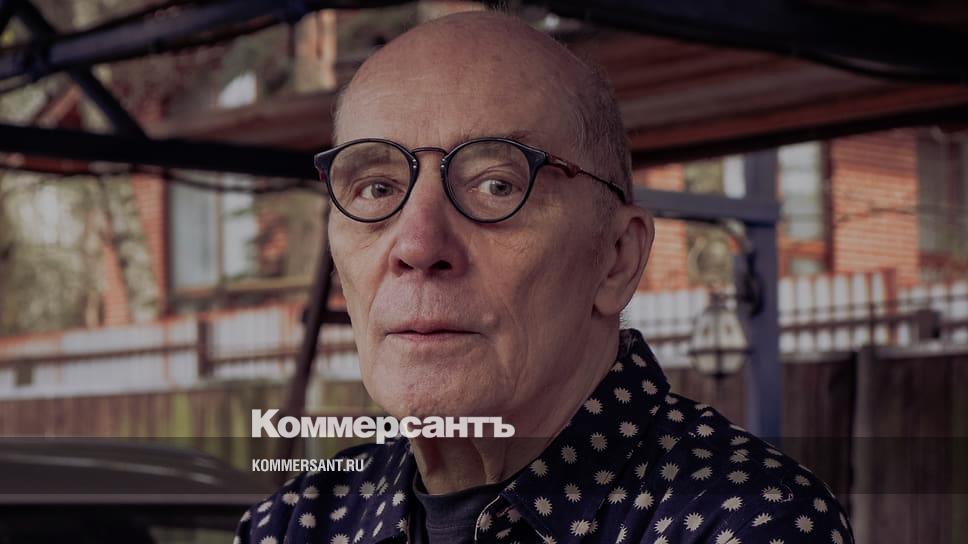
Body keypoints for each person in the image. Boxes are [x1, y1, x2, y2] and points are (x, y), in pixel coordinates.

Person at [235, 10, 854, 544]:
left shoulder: (740, 521)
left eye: (497, 185)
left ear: (617, 257)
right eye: (375, 188)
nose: (417, 246)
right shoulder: (293, 525)